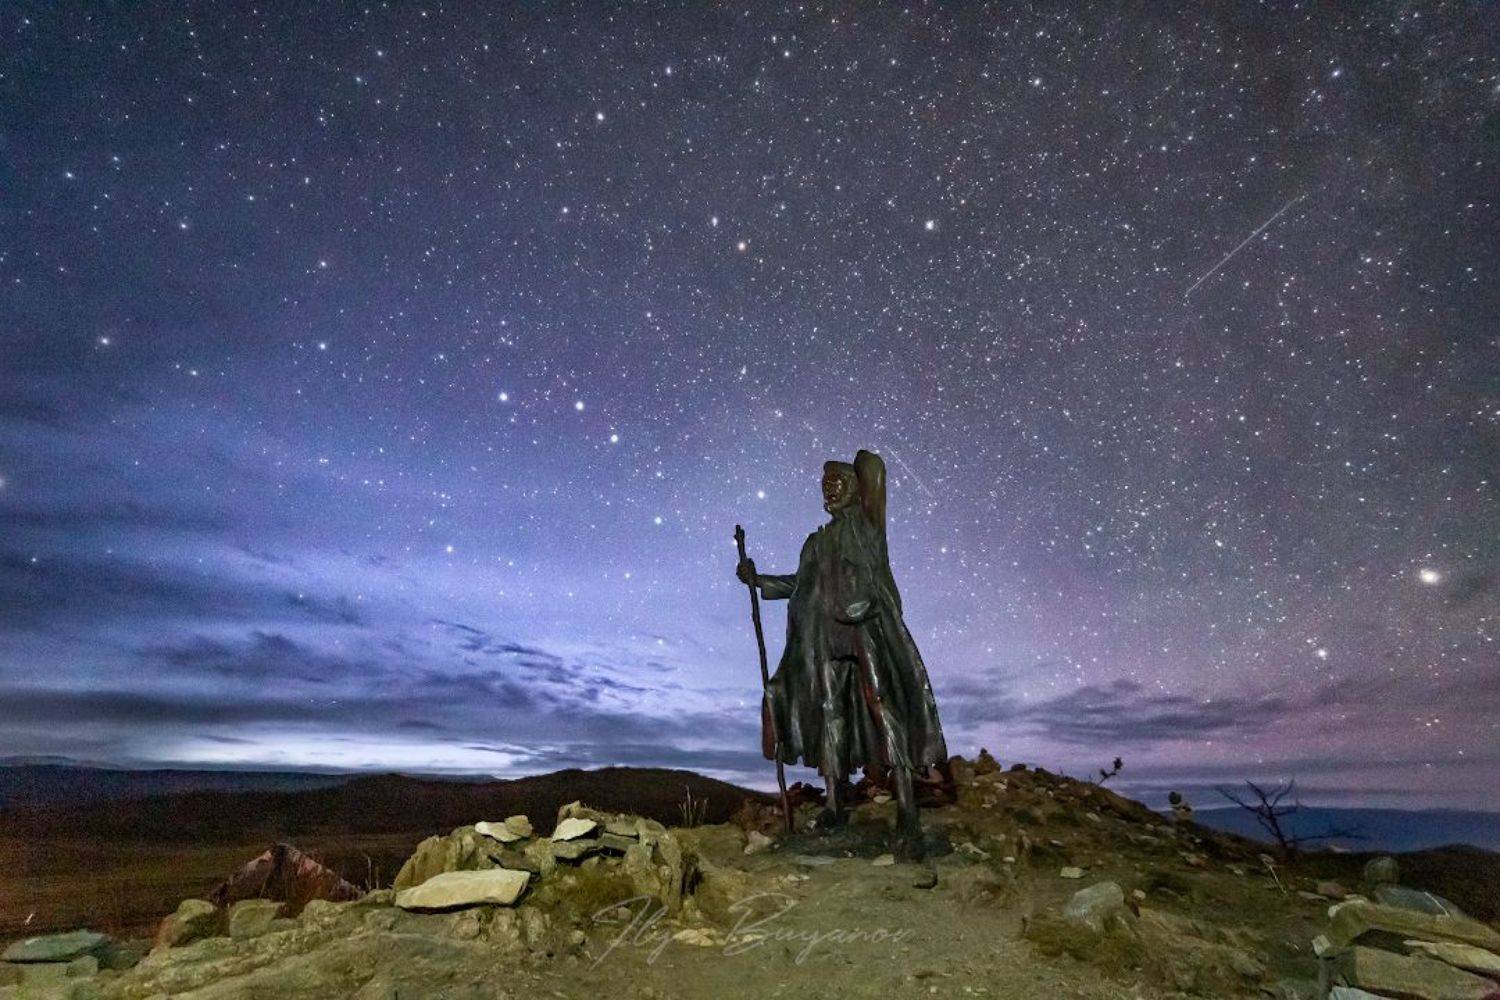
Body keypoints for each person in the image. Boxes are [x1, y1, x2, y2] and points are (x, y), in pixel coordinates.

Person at [736, 450, 947, 858]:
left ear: (854, 490)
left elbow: (874, 474)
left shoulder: (868, 527)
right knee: (829, 709)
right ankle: (833, 803)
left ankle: (906, 806)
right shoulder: (815, 542)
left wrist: (859, 464)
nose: (829, 491)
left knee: (883, 702)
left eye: (837, 484)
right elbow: (799, 583)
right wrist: (757, 579)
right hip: (823, 632)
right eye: (825, 485)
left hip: (864, 622)